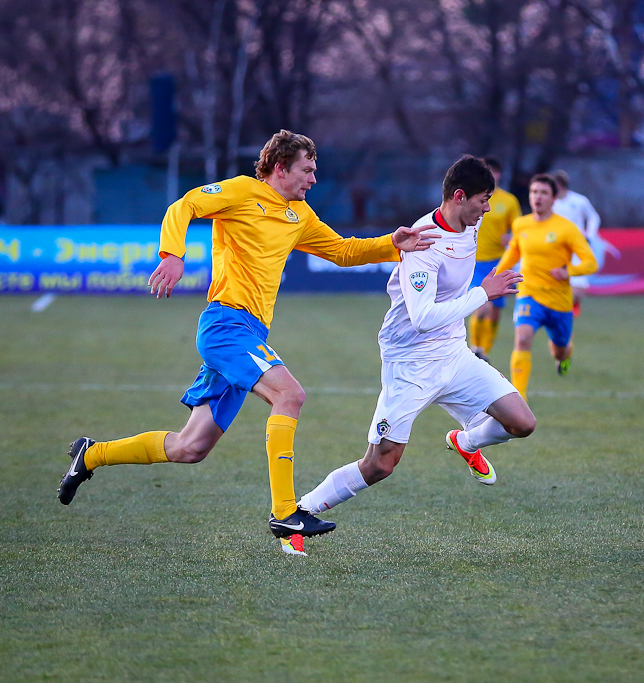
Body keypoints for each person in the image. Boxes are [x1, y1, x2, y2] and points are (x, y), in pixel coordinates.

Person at [57, 130, 438, 550]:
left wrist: (392, 245)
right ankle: (285, 513)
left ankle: (90, 455)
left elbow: (342, 251)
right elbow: (182, 206)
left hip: (249, 332)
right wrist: (172, 255)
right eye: (307, 170)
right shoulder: (241, 192)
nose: (313, 179)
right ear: (280, 168)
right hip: (226, 327)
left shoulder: (300, 215)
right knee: (290, 395)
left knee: (191, 446)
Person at [297, 155, 535, 522]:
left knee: (522, 422)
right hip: (410, 361)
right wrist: (483, 294)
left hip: (453, 353)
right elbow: (422, 319)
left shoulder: (470, 225)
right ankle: (300, 510)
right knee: (380, 464)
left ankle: (465, 442)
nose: (488, 209)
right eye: (482, 200)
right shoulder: (425, 243)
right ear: (459, 196)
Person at [496, 174, 597, 400]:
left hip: (560, 301)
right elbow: (512, 253)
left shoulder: (567, 228)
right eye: (534, 192)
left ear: (554, 199)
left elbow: (590, 262)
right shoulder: (521, 224)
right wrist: (495, 275)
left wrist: (567, 271)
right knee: (522, 339)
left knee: (559, 350)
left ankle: (565, 355)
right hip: (529, 294)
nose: (537, 197)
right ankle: (518, 398)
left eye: (543, 193)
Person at [467, 157, 521, 362]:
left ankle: (484, 351)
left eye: (494, 171)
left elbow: (520, 230)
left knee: (495, 313)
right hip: (474, 262)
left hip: (499, 263)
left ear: (499, 175)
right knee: (482, 308)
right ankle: (475, 347)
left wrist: (511, 238)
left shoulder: (508, 201)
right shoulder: (470, 197)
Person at [551, 170, 602, 316]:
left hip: (577, 248)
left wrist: (590, 236)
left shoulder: (579, 201)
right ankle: (561, 312)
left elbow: (594, 217)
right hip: (557, 249)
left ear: (560, 185)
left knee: (578, 291)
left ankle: (572, 304)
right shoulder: (551, 203)